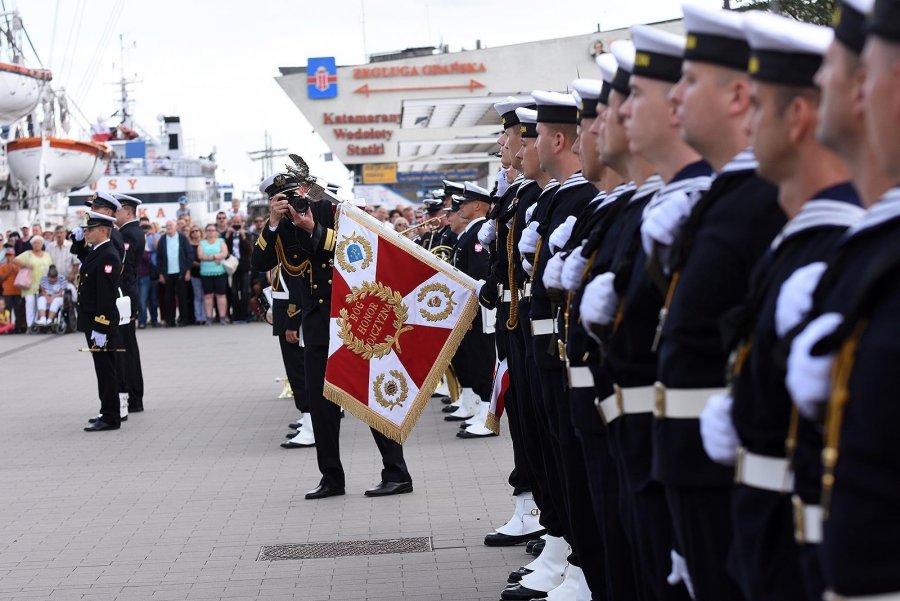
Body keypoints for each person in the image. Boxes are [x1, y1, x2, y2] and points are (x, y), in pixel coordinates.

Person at [269, 175, 412, 500]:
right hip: (318, 323)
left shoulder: (336, 211)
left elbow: (356, 249)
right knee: (321, 406)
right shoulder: (284, 224)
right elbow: (267, 264)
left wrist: (312, 229)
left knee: (369, 396)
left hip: (351, 320)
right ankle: (331, 477)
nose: (291, 201)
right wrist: (275, 223)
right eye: (281, 198)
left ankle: (397, 472)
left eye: (292, 193)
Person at [253, 173, 312, 449]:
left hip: (304, 311)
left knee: (304, 371)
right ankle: (309, 418)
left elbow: (301, 278)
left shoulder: (311, 220)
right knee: (297, 369)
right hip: (289, 307)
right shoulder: (279, 228)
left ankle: (312, 423)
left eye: (289, 198)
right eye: (278, 200)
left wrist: (292, 319)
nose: (285, 205)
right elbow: (260, 262)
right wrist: (272, 223)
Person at [446, 183, 496, 429]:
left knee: (482, 360)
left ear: (478, 206)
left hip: (477, 309)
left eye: (464, 203)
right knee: (475, 359)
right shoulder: (469, 233)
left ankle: (488, 414)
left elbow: (477, 275)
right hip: (469, 309)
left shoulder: (478, 233)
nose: (459, 207)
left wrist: (469, 311)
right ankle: (481, 408)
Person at [78, 212, 123, 432]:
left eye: (91, 228)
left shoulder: (108, 255)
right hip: (93, 321)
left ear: (104, 231)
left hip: (100, 323)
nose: (86, 232)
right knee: (102, 369)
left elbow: (106, 295)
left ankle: (111, 416)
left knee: (106, 369)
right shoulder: (98, 251)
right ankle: (106, 411)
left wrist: (101, 325)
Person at [113, 192, 147, 415]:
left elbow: (122, 268)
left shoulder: (128, 234)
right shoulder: (128, 232)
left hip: (124, 296)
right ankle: (133, 396)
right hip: (126, 295)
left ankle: (133, 397)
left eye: (116, 211)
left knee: (127, 349)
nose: (115, 215)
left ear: (127, 211)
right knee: (127, 348)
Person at [156, 220, 191, 327]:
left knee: (182, 297)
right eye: (167, 226)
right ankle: (170, 320)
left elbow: (189, 254)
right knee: (168, 298)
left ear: (176, 227)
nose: (168, 227)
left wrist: (187, 270)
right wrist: (161, 274)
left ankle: (184, 319)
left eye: (170, 225)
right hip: (167, 274)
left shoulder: (182, 238)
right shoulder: (162, 240)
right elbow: (159, 258)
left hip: (181, 272)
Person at [13, 235, 53, 328]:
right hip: (30, 284)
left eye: (39, 243)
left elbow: (51, 267)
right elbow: (15, 260)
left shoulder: (46, 254)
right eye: (35, 243)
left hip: (44, 284)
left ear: (42, 244)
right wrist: (25, 264)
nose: (37, 245)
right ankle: (30, 325)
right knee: (30, 302)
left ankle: (40, 324)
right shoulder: (28, 253)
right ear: (32, 244)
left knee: (41, 303)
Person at [196, 223, 229, 325]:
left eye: (212, 230)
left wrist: (209, 257)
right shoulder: (202, 243)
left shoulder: (221, 241)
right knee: (208, 296)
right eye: (208, 230)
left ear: (216, 231)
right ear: (205, 232)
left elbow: (225, 253)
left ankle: (222, 317)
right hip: (206, 272)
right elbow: (200, 255)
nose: (210, 232)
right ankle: (209, 318)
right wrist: (215, 257)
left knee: (221, 295)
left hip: (220, 272)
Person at [225, 216, 253, 323]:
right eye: (234, 222)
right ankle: (236, 315)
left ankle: (245, 315)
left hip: (244, 266)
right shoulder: (228, 235)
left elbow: (249, 249)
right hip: (232, 266)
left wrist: (243, 236)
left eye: (238, 222)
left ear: (242, 223)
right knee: (234, 291)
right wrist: (227, 236)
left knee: (245, 291)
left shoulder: (247, 234)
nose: (236, 224)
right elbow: (225, 249)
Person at [138, 217, 160, 328]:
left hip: (153, 270)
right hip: (142, 272)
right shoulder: (137, 238)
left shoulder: (154, 236)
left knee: (153, 298)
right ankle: (142, 321)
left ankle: (154, 320)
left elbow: (156, 250)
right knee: (142, 299)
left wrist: (153, 234)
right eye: (142, 227)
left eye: (147, 226)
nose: (145, 229)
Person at [187, 226, 207, 324]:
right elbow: (189, 259)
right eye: (193, 231)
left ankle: (205, 316)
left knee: (205, 295)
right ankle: (199, 317)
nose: (195, 233)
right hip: (195, 273)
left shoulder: (205, 243)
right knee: (197, 295)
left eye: (197, 231)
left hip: (207, 272)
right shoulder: (189, 245)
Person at [0, 246, 21, 332]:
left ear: (14, 256)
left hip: (17, 291)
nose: (9, 257)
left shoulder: (18, 265)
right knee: (7, 310)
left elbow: (21, 276)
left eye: (11, 255)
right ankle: (9, 327)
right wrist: (9, 270)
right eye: (8, 255)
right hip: (7, 292)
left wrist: (14, 269)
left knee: (17, 309)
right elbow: (1, 278)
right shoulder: (3, 266)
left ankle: (18, 327)